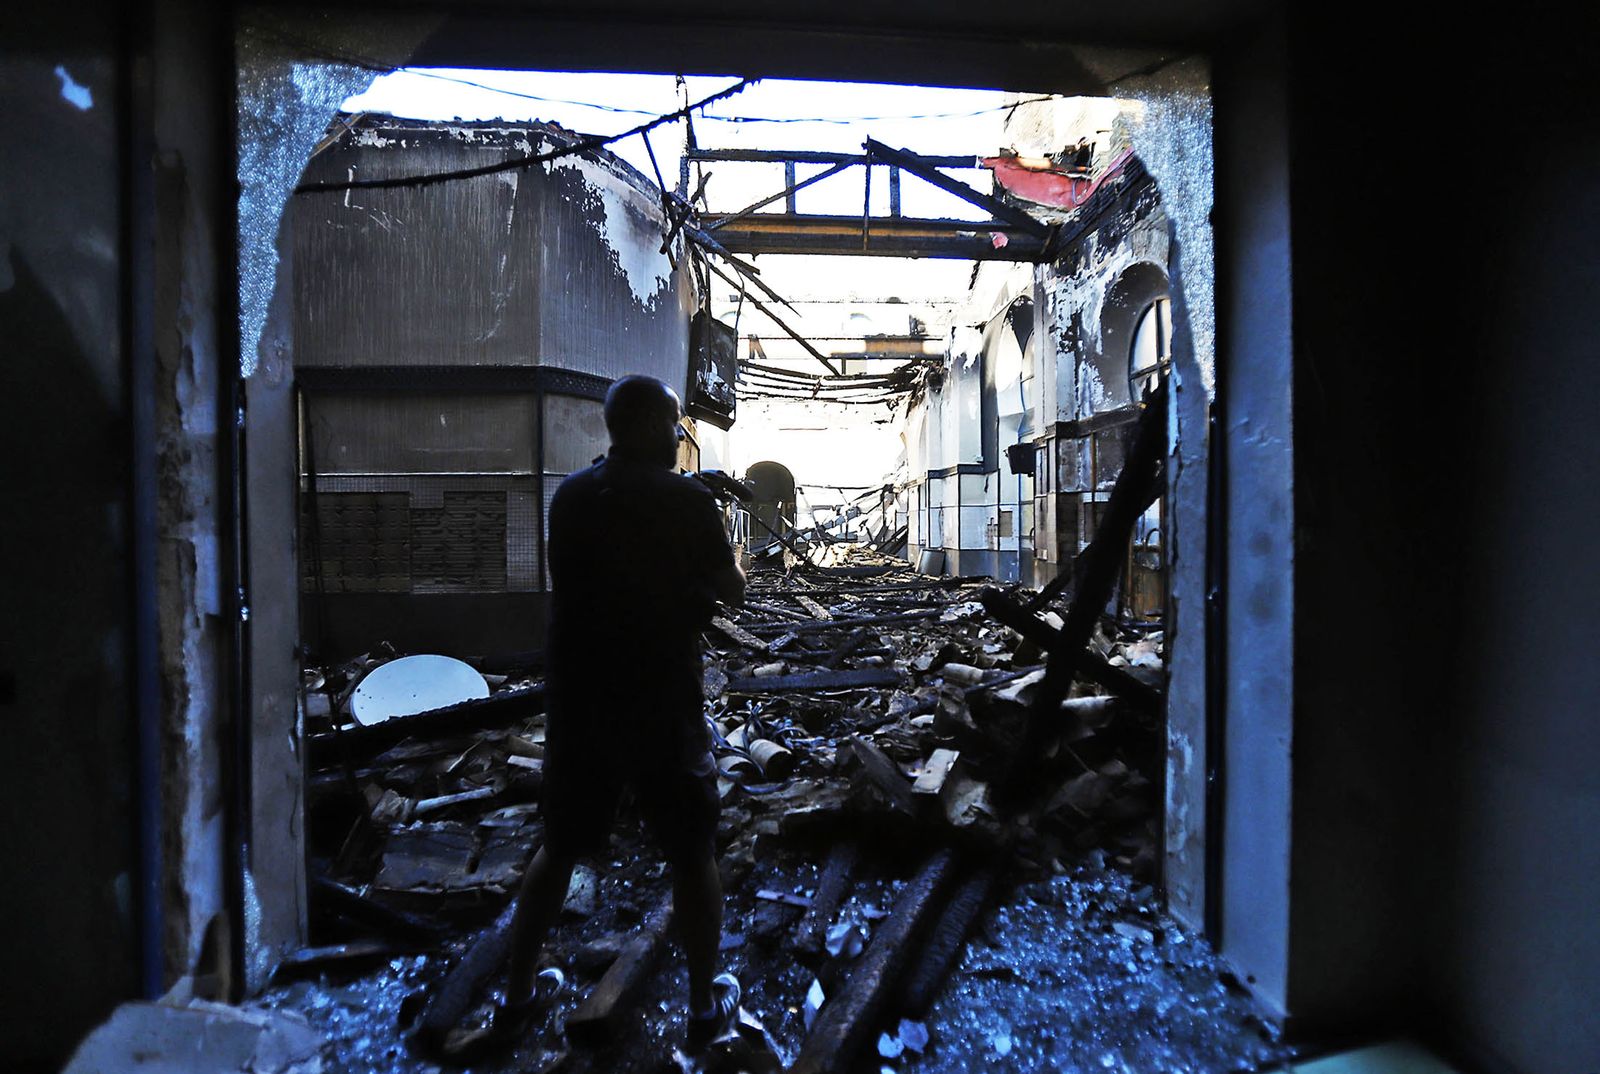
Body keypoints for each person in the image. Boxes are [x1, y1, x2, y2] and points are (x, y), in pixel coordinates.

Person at [498, 374, 746, 1052]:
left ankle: (516, 999)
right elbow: (734, 590)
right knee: (691, 851)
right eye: (674, 423)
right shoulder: (689, 500)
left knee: (560, 844)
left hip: (583, 698)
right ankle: (703, 1009)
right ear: (648, 424)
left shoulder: (571, 496)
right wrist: (713, 547)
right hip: (661, 697)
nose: (679, 435)